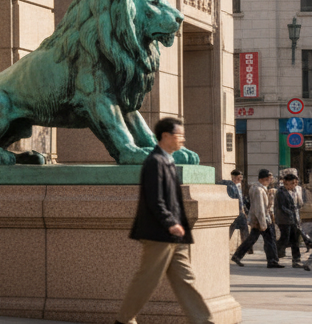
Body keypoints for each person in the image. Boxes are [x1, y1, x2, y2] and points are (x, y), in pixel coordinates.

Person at [113, 117, 215, 324]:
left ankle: (204, 321)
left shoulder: (167, 160)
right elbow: (154, 199)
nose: (182, 140)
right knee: (147, 281)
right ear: (166, 136)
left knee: (186, 280)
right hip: (159, 234)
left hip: (175, 236)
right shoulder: (154, 162)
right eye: (179, 135)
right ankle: (123, 320)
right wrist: (170, 222)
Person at [232, 169, 280, 268]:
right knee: (269, 239)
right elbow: (259, 207)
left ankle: (237, 256)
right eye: (269, 179)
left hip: (261, 218)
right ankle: (272, 261)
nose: (270, 181)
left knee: (254, 239)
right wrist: (263, 223)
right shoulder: (258, 189)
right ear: (263, 179)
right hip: (261, 219)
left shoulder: (261, 188)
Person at [275, 173, 309, 271]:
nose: (292, 186)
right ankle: (275, 255)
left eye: (293, 184)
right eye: (290, 184)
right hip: (284, 220)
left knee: (295, 240)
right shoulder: (280, 192)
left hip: (295, 219)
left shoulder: (296, 190)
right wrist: (291, 212)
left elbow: (300, 203)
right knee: (284, 239)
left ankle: (296, 260)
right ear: (285, 183)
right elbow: (281, 206)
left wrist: (297, 211)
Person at [221, 169, 249, 248]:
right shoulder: (230, 187)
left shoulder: (239, 186)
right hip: (234, 212)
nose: (240, 179)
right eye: (239, 177)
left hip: (240, 212)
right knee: (231, 229)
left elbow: (241, 200)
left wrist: (244, 210)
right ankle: (223, 245)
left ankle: (246, 248)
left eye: (241, 177)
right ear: (233, 177)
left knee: (244, 229)